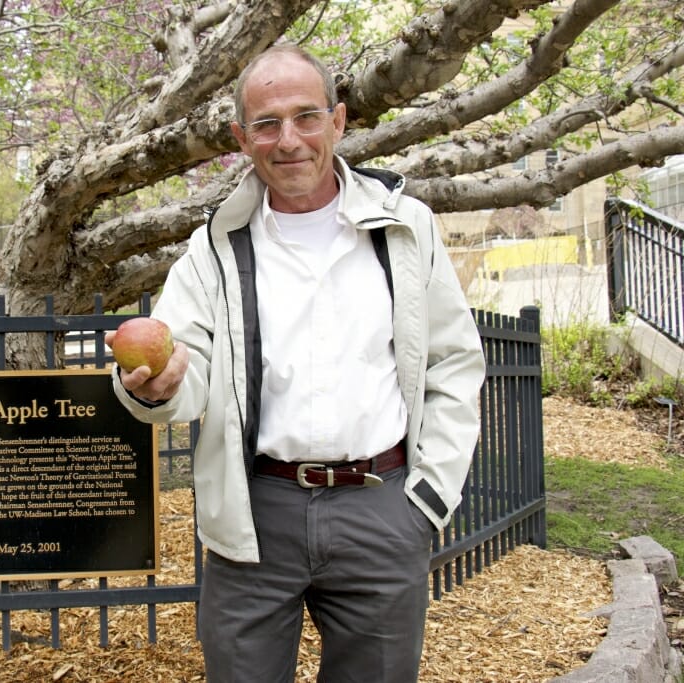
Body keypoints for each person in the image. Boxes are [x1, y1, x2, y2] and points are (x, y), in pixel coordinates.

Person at [107, 44, 486, 683]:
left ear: (338, 122)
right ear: (240, 138)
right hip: (255, 514)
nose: (289, 141)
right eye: (267, 123)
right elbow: (183, 367)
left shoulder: (404, 227)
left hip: (383, 509)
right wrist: (155, 389)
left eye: (307, 117)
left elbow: (454, 362)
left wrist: (428, 497)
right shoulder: (214, 249)